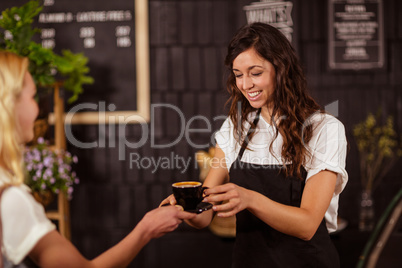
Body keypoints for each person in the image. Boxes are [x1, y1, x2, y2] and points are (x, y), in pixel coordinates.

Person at [162, 22, 348, 267]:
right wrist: (187, 207)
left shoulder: (324, 128)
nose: (245, 84)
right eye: (238, 75)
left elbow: (307, 225)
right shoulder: (235, 126)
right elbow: (205, 215)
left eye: (255, 72)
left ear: (281, 69)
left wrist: (249, 199)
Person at [0, 50, 196, 267]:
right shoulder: (11, 200)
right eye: (32, 97)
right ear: (9, 105)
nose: (38, 108)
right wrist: (146, 229)